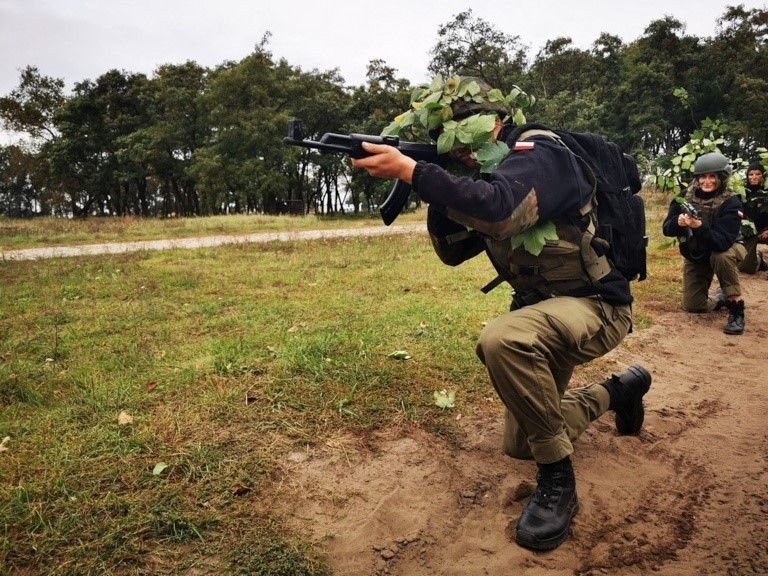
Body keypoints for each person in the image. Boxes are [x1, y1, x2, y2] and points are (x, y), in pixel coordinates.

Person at [351, 76, 651, 551]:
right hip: (541, 313)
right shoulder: (478, 173)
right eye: (448, 134)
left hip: (596, 306)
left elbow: (501, 212)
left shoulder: (541, 153)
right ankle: (621, 390)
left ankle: (558, 484)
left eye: (470, 126)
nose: (461, 142)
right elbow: (452, 252)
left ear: (499, 121)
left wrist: (415, 172)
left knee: (501, 338)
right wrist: (437, 182)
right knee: (521, 442)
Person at [661, 152, 746, 335]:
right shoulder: (684, 197)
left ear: (721, 178)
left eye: (712, 176)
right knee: (693, 305)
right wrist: (679, 222)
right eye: (703, 177)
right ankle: (720, 299)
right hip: (697, 254)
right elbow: (666, 229)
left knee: (722, 256)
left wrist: (699, 226)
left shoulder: (731, 202)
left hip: (729, 248)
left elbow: (723, 242)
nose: (707, 181)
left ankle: (736, 309)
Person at [737, 160, 768, 274]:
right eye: (751, 174)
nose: (754, 177)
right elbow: (737, 212)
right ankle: (758, 259)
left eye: (758, 174)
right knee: (746, 267)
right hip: (749, 232)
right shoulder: (741, 192)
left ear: (763, 175)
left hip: (765, 229)